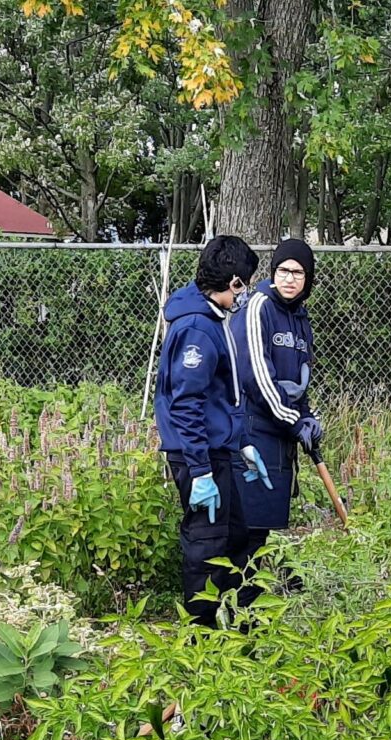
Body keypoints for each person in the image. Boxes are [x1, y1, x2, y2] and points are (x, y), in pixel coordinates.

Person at [154, 235, 260, 626]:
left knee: (234, 536)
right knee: (206, 542)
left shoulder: (212, 318)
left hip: (217, 451)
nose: (245, 292)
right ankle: (200, 633)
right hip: (198, 455)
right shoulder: (198, 328)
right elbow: (186, 403)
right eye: (244, 284)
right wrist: (199, 471)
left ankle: (232, 621)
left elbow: (222, 396)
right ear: (233, 283)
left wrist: (242, 443)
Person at [227, 238, 326, 567]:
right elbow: (256, 375)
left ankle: (253, 604)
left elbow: (302, 377)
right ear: (273, 273)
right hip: (254, 430)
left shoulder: (301, 318)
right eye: (283, 270)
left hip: (280, 433)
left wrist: (308, 416)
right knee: (247, 527)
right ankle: (237, 607)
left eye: (298, 273)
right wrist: (294, 420)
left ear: (307, 279)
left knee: (264, 528)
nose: (289, 278)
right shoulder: (259, 306)